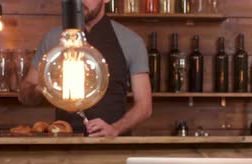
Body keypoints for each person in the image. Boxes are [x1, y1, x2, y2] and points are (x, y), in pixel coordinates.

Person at [19, 0, 152, 137]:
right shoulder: (52, 39)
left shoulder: (131, 41)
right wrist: (42, 89)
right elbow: (25, 94)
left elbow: (144, 106)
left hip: (113, 148)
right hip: (63, 148)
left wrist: (115, 129)